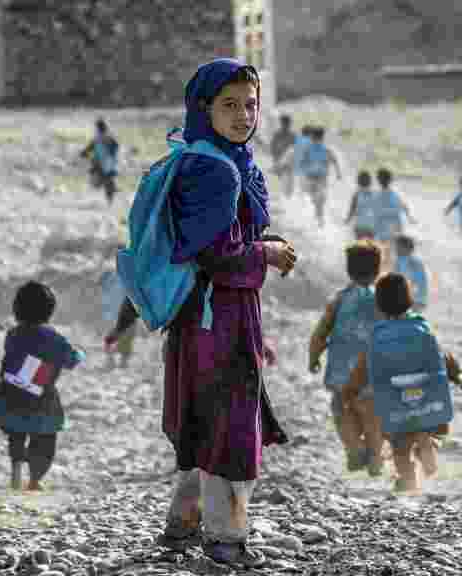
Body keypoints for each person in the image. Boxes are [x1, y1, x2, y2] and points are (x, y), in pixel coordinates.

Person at [105, 58, 295, 568]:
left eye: (251, 104)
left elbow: (218, 241)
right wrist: (268, 253)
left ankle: (182, 524)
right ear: (203, 107)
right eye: (229, 105)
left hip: (199, 315)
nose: (243, 115)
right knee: (231, 425)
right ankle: (226, 539)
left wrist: (260, 243)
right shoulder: (217, 169)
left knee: (200, 418)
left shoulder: (204, 156)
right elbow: (216, 252)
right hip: (222, 315)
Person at [342, 273, 462, 495]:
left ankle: (409, 483)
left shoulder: (377, 336)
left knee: (400, 447)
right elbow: (442, 356)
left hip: (394, 402)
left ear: (379, 305)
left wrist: (350, 390)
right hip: (425, 396)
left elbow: (362, 368)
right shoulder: (422, 327)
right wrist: (456, 374)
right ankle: (427, 447)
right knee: (425, 428)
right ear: (409, 298)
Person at [0, 281, 85, 492]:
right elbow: (71, 360)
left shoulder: (13, 334)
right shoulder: (54, 338)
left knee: (16, 434)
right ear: (49, 310)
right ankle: (34, 480)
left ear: (17, 309)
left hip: (12, 392)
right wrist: (80, 354)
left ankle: (15, 470)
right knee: (45, 440)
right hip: (42, 397)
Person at [308, 240, 382, 474]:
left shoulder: (339, 300)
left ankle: (355, 449)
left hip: (342, 374)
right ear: (377, 270)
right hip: (372, 373)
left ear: (349, 270)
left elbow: (321, 332)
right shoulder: (383, 299)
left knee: (342, 413)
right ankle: (375, 459)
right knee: (373, 418)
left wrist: (314, 356)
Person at [298, 126, 343, 226]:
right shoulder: (317, 149)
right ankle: (317, 214)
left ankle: (319, 216)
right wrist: (338, 172)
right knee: (316, 199)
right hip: (312, 178)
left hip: (319, 179)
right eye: (315, 137)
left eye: (317, 138)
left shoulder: (324, 149)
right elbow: (302, 162)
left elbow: (334, 160)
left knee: (319, 198)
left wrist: (338, 172)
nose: (316, 140)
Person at [99, 267, 136, 369]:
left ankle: (117, 360)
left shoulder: (130, 276)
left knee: (124, 338)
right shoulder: (112, 276)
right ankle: (114, 360)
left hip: (119, 314)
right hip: (117, 314)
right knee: (123, 337)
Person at [80, 118, 120, 205]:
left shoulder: (97, 139)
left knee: (100, 182)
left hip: (100, 164)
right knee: (107, 181)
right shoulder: (110, 138)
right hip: (109, 164)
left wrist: (85, 155)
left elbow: (86, 151)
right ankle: (110, 197)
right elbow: (115, 148)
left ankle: (110, 193)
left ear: (98, 128)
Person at [393, 232, 432, 313]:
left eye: (398, 247)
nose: (395, 249)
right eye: (396, 246)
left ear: (407, 248)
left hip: (413, 300)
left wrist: (419, 300)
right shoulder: (398, 261)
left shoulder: (413, 262)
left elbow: (421, 282)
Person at [269, 114, 297, 198]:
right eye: (284, 123)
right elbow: (273, 148)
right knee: (282, 181)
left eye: (287, 123)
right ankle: (284, 196)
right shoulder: (277, 135)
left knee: (288, 183)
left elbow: (296, 150)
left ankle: (288, 196)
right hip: (279, 160)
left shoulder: (293, 135)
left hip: (289, 163)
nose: (285, 125)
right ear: (281, 123)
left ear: (289, 124)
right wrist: (275, 159)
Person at [344, 170, 376, 240]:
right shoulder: (375, 194)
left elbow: (352, 210)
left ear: (358, 182)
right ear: (370, 182)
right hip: (371, 225)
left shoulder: (357, 194)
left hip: (359, 226)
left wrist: (347, 220)